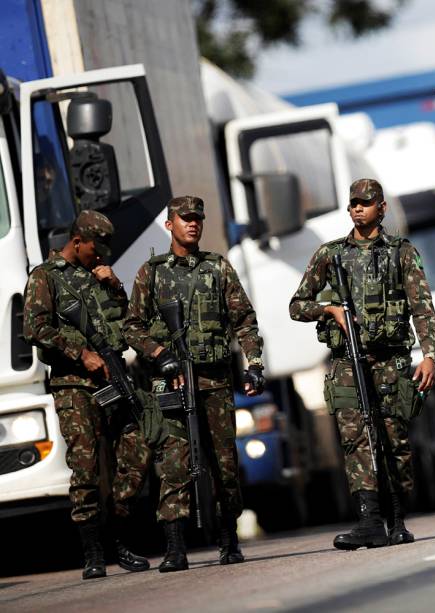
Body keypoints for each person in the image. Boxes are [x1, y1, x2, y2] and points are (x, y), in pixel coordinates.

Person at [289, 178, 435, 549]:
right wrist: (329, 309)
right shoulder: (331, 254)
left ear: (382, 208)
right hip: (347, 363)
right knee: (357, 440)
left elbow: (422, 306)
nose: (358, 208)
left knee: (394, 441)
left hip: (391, 363)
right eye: (353, 202)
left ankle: (398, 517)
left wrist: (430, 354)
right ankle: (369, 521)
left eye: (366, 203)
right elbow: (297, 305)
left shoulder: (401, 252)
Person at [122, 196, 265, 572]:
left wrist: (254, 365)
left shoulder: (217, 268)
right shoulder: (150, 272)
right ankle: (175, 547)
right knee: (173, 464)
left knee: (224, 463)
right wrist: (160, 354)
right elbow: (131, 326)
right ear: (169, 224)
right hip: (170, 383)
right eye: (185, 219)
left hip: (214, 380)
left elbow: (244, 320)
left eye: (198, 218)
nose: (193, 224)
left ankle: (228, 539)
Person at [23, 210, 151, 580]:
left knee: (138, 450)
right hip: (74, 385)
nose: (100, 258)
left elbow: (128, 324)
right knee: (87, 468)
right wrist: (80, 353)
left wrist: (116, 286)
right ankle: (94, 551)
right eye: (95, 250)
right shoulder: (45, 277)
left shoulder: (99, 276)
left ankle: (120, 533)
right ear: (76, 242)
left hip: (114, 379)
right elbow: (35, 327)